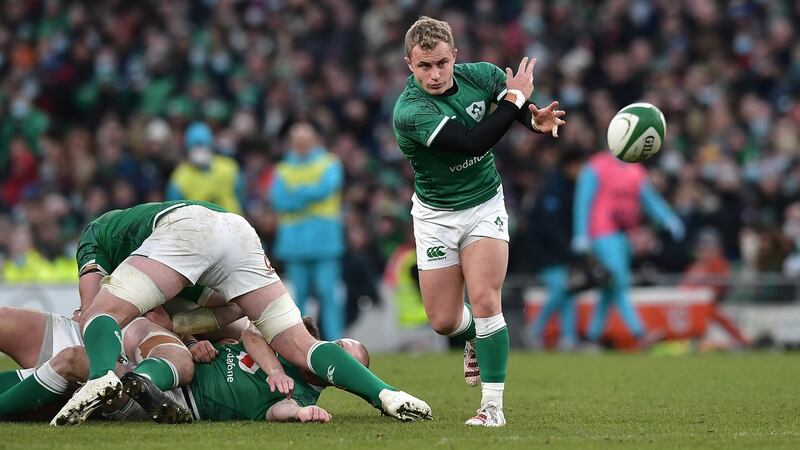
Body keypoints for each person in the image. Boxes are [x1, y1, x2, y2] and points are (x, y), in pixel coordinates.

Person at [52, 200, 431, 426]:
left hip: (190, 229)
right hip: (239, 232)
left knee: (103, 312)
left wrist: (105, 332)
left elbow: (91, 308)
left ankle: (100, 378)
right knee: (299, 341)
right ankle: (386, 394)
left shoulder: (95, 236)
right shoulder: (144, 241)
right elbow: (228, 308)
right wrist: (187, 329)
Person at [392, 16, 566, 426]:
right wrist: (515, 102)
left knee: (487, 298)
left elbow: (512, 113)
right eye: (423, 66)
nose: (434, 75)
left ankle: (492, 408)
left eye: (440, 63)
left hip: (484, 203)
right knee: (443, 320)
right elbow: (472, 142)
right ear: (408, 65)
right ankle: (471, 336)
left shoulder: (483, 76)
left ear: (455, 55)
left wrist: (532, 119)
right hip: (435, 215)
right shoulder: (410, 111)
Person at [571, 150, 685, 348]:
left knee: (610, 286)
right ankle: (639, 332)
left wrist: (668, 217)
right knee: (619, 282)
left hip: (625, 237)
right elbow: (583, 201)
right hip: (602, 232)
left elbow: (648, 199)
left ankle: (591, 336)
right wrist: (581, 233)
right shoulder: (597, 166)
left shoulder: (635, 170)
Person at [269, 123, 345, 340]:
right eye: (297, 142)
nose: (301, 146)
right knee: (297, 300)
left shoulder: (328, 163)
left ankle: (335, 342)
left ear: (314, 141)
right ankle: (300, 344)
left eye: (305, 141)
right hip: (299, 243)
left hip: (322, 240)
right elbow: (279, 200)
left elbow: (326, 189)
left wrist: (296, 195)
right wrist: (309, 195)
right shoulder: (283, 168)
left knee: (328, 295)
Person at [526, 148, 587, 350]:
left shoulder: (569, 186)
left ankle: (568, 339)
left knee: (568, 291)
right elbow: (549, 228)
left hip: (559, 252)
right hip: (545, 252)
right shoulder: (554, 188)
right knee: (561, 290)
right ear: (570, 165)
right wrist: (568, 251)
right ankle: (534, 330)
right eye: (579, 166)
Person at [680, 228, 750, 348]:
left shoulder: (719, 264)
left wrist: (704, 283)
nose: (703, 251)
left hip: (714, 303)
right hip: (691, 306)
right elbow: (683, 288)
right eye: (701, 247)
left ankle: (741, 341)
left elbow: (722, 286)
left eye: (706, 247)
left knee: (714, 313)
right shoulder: (694, 266)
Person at [166, 122, 245, 215]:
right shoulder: (180, 176)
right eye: (195, 145)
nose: (200, 150)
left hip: (232, 224)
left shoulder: (229, 167)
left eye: (203, 144)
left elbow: (241, 196)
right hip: (200, 227)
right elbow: (173, 210)